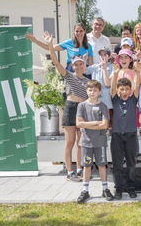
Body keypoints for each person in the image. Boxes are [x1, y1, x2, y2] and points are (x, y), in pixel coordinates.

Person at [43, 31, 89, 181]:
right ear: (73, 65)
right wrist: (50, 44)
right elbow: (56, 62)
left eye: (81, 63)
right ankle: (70, 172)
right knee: (69, 142)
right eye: (76, 64)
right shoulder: (68, 75)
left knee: (81, 142)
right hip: (70, 108)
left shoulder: (89, 81)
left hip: (82, 110)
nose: (78, 66)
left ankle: (80, 169)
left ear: (83, 65)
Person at [76, 80, 113, 203]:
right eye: (90, 90)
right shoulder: (81, 106)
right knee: (87, 166)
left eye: (95, 90)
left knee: (102, 165)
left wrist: (86, 125)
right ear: (86, 91)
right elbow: (78, 123)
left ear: (100, 92)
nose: (92, 92)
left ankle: (105, 189)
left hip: (100, 142)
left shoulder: (103, 106)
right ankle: (85, 190)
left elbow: (104, 125)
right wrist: (96, 123)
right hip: (86, 142)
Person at [109, 60, 141, 200]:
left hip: (131, 136)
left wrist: (138, 73)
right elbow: (112, 87)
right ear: (118, 90)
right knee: (117, 164)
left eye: (127, 89)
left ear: (130, 90)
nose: (124, 91)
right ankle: (119, 189)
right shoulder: (115, 99)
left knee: (131, 164)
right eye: (121, 89)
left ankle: (131, 187)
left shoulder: (133, 100)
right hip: (116, 136)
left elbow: (137, 85)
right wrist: (115, 74)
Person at [26, 23, 93, 72]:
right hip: (71, 70)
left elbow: (91, 64)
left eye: (81, 31)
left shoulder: (89, 46)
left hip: (84, 71)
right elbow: (51, 48)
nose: (79, 33)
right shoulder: (69, 42)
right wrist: (36, 41)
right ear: (74, 32)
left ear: (84, 32)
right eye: (77, 31)